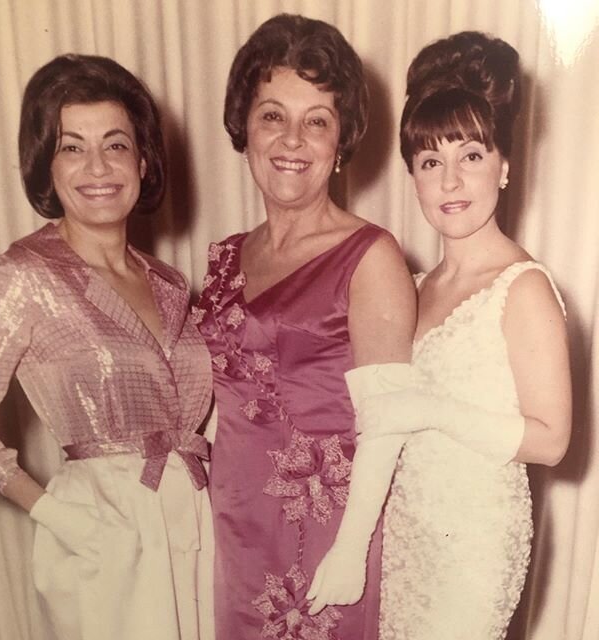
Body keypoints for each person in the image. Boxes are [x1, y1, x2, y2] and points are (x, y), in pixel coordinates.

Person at [309, 31, 572, 639]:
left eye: (471, 155)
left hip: (475, 541)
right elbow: (383, 418)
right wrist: (350, 544)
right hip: (407, 532)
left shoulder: (522, 286)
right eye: (432, 162)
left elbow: (552, 440)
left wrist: (431, 408)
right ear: (414, 178)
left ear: (504, 167)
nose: (451, 181)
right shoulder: (414, 286)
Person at [0, 54, 214, 640]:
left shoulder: (170, 284)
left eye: (116, 145)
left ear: (143, 160)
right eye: (72, 147)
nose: (97, 166)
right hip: (100, 532)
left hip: (192, 516)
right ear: (46, 166)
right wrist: (58, 515)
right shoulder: (22, 274)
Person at [191, 13, 416, 640]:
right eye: (272, 115)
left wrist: (349, 551)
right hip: (232, 526)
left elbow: (389, 423)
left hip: (325, 535)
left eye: (316, 120)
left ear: (341, 142)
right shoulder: (223, 257)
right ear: (245, 129)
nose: (292, 139)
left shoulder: (371, 255)